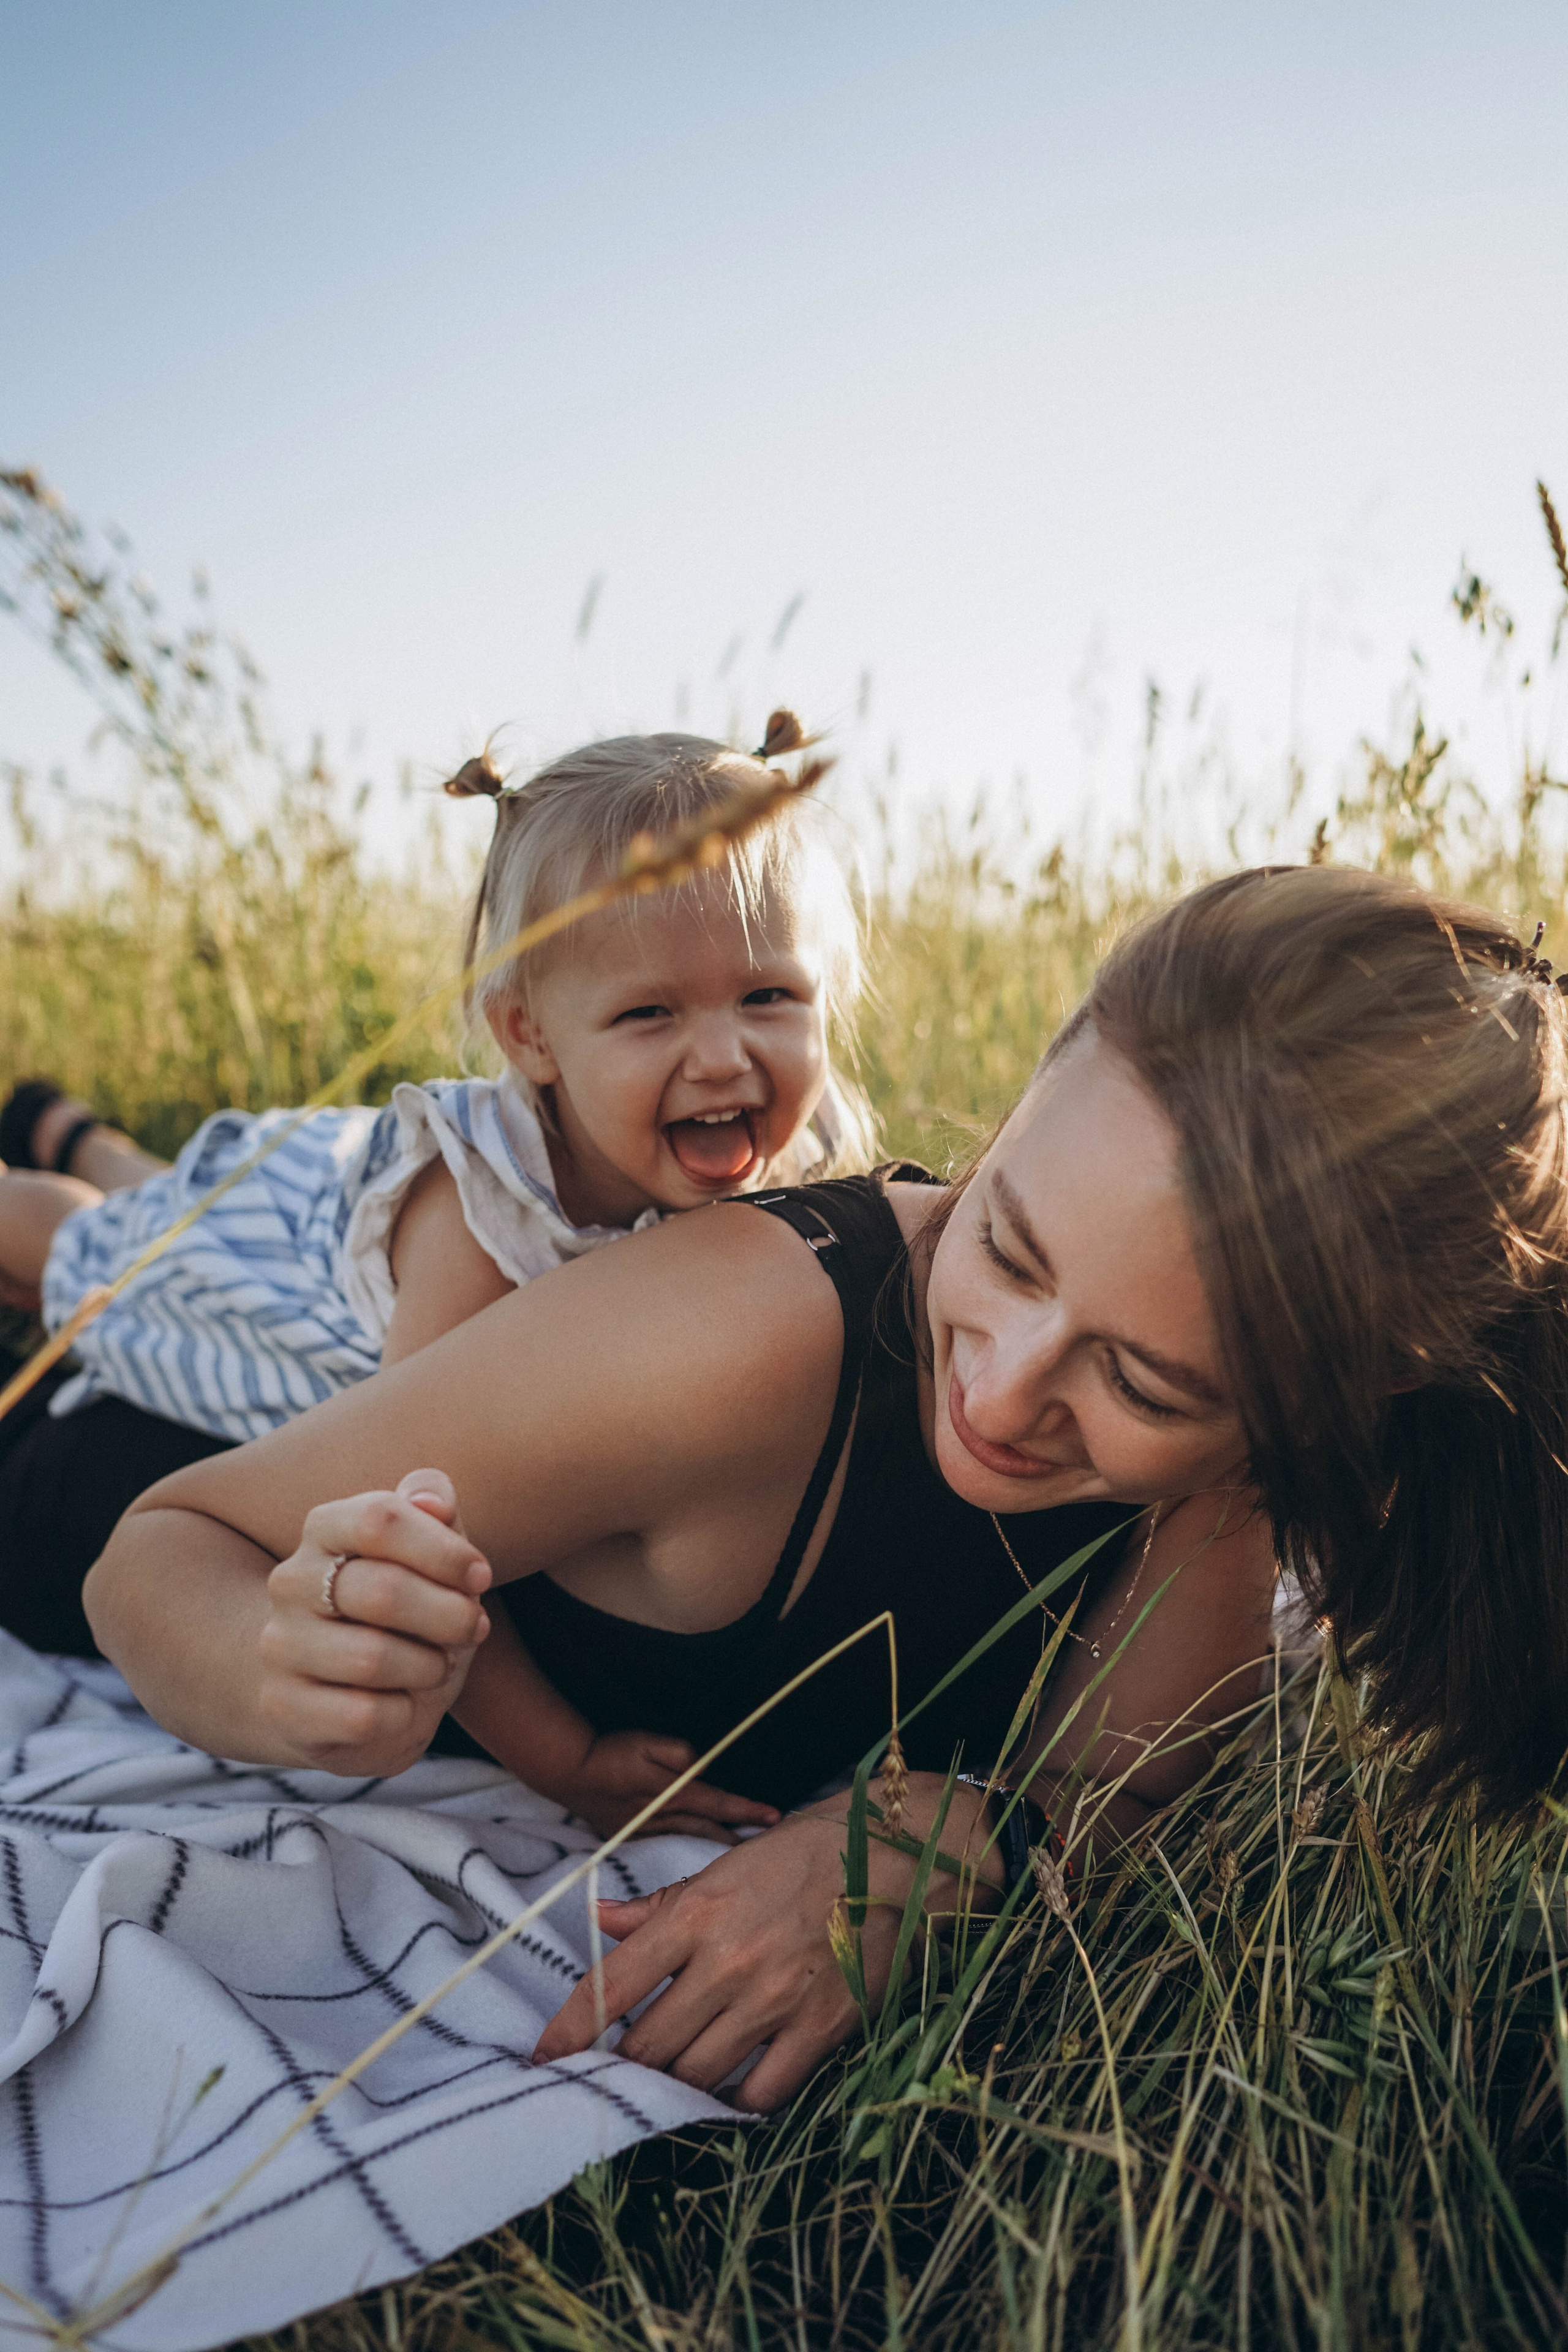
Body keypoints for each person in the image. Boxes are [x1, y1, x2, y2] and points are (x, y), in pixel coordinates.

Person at [86, 862, 1568, 2108]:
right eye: (1005, 1243)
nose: (994, 1395)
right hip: (123, 1446)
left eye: (1142, 1383)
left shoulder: (1232, 1496)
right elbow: (170, 1541)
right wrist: (276, 1670)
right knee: (116, 1255)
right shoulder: (733, 1335)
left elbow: (1092, 1801)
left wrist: (917, 1853)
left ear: (1337, 1405)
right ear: (1036, 1078)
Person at [0, 720, 872, 1836]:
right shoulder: (481, 1218)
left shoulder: (797, 1145)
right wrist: (563, 1757)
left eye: (770, 999)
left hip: (321, 1205)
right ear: (529, 1035)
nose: (724, 1056)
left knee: (149, 1192)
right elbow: (418, 1523)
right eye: (649, 1012)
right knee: (95, 1254)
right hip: (275, 1293)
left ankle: (70, 1130)